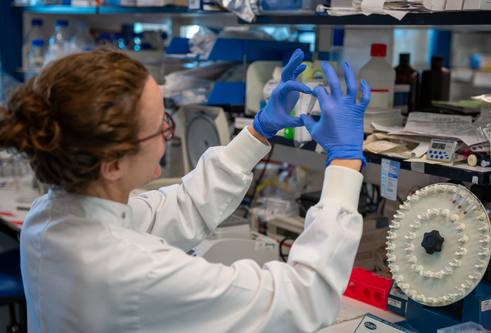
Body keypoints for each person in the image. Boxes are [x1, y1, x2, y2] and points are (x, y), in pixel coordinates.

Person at [0, 47, 370, 333]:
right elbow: (307, 297)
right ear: (112, 164)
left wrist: (259, 131)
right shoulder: (136, 273)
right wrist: (345, 163)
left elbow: (184, 206)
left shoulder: (49, 215)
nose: (168, 133)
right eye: (161, 126)